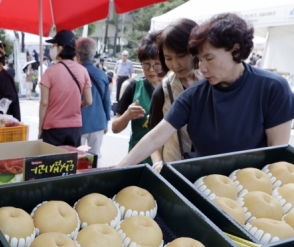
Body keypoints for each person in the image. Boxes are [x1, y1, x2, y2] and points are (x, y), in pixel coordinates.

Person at [117, 13, 294, 171]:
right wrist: (118, 169)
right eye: (199, 60)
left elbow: (277, 154)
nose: (202, 69)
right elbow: (155, 138)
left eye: (209, 58)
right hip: (205, 182)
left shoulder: (272, 87)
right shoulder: (193, 95)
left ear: (235, 49)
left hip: (254, 187)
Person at [149, 19, 203, 163]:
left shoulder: (212, 82)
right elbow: (153, 136)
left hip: (210, 165)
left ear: (195, 49)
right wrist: (158, 163)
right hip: (174, 165)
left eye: (181, 56)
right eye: (168, 58)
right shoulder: (163, 92)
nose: (175, 64)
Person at [111, 31, 164, 161]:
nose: (151, 69)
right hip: (139, 159)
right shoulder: (134, 86)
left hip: (167, 159)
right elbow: (115, 128)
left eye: (156, 64)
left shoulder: (175, 87)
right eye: (146, 64)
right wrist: (127, 115)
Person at [39, 30, 93, 146]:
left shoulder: (50, 72)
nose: (52, 49)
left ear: (60, 48)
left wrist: (40, 128)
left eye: (54, 45)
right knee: (70, 162)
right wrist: (76, 104)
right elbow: (89, 101)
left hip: (53, 128)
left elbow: (44, 103)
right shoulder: (83, 70)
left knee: (53, 163)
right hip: (74, 128)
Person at [76, 38, 112, 156]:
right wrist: (106, 121)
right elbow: (106, 101)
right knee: (94, 157)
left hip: (79, 124)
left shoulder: (75, 73)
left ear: (77, 55)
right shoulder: (101, 74)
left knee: (78, 158)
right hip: (98, 123)